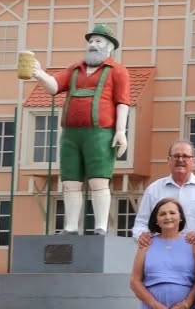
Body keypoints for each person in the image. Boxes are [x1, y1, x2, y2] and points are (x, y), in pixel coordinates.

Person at [23, 23, 131, 234]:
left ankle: (100, 226)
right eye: (91, 41)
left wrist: (120, 131)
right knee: (70, 181)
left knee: (98, 179)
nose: (93, 44)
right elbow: (54, 87)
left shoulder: (117, 71)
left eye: (98, 41)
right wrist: (39, 73)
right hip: (71, 134)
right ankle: (70, 227)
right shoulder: (75, 69)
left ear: (109, 47)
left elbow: (123, 102)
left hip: (100, 133)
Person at [133, 141, 195, 242]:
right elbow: (141, 223)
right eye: (176, 156)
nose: (180, 160)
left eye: (185, 156)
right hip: (163, 250)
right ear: (168, 160)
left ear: (193, 161)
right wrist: (142, 235)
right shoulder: (154, 189)